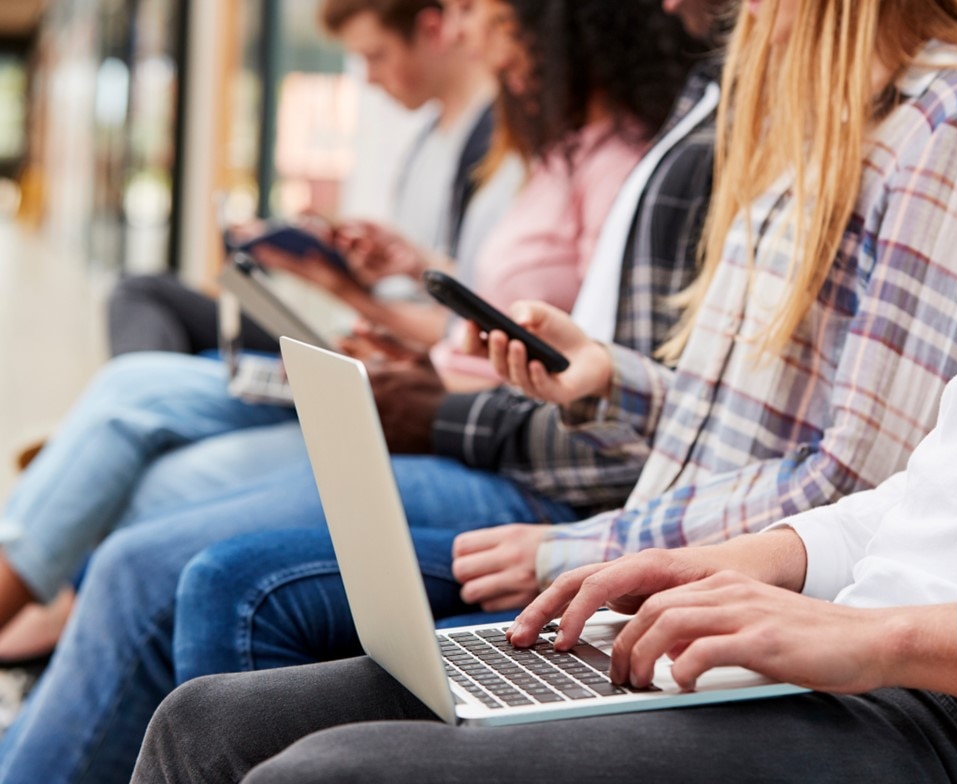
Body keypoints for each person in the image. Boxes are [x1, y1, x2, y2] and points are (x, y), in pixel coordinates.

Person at [136, 0, 957, 781]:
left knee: (329, 773)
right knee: (210, 723)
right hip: (861, 638)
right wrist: (760, 559)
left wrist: (878, 637)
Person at [0, 2, 700, 782]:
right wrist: (387, 310)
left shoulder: (623, 166)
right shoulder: (552, 154)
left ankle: (43, 627)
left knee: (161, 494)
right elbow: (526, 348)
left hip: (482, 441)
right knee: (142, 405)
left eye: (483, 18)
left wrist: (433, 391)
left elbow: (592, 392)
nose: (469, 35)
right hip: (445, 403)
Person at [107, 0, 504, 359]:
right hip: (363, 333)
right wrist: (329, 256)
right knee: (143, 300)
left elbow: (457, 324)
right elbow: (411, 273)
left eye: (376, 56)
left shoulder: (492, 150)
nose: (369, 78)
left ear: (432, 31)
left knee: (141, 300)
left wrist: (342, 290)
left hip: (390, 359)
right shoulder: (426, 140)